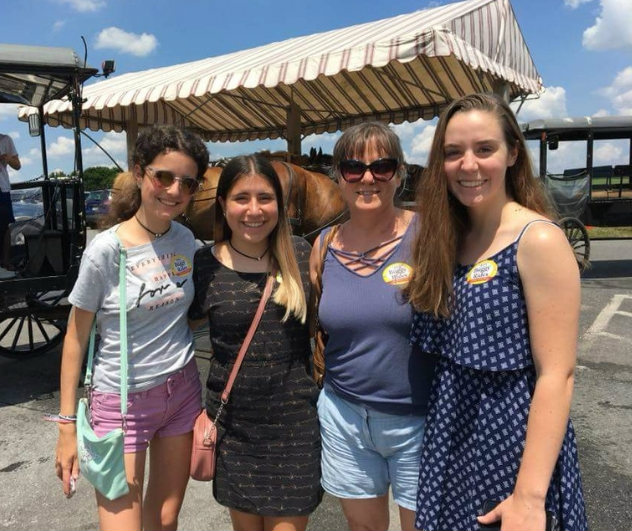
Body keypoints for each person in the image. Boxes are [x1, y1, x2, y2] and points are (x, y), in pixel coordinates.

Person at [405, 93, 587, 531]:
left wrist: (529, 497)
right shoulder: (450, 239)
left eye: (484, 148)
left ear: (512, 154)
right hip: (453, 439)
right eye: (453, 152)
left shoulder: (537, 239)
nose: (468, 165)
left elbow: (557, 375)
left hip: (511, 446)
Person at [55, 125, 209, 531]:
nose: (174, 190)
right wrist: (67, 426)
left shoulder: (186, 240)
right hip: (120, 402)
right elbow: (75, 338)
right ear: (140, 172)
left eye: (187, 183)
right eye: (164, 176)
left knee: (165, 519)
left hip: (181, 390)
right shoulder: (106, 250)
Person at [310, 122, 436, 531]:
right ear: (339, 177)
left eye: (382, 167)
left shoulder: (429, 236)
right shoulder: (324, 245)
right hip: (344, 415)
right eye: (353, 168)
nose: (368, 178)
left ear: (400, 174)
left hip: (419, 419)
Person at [188, 154, 322, 531]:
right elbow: (175, 326)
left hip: (293, 426)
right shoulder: (204, 263)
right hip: (234, 425)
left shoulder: (300, 253)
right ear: (222, 204)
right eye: (241, 198)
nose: (253, 210)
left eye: (265, 198)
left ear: (280, 204)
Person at [0, 132, 21, 279]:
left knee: (4, 226)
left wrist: (7, 158)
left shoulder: (5, 139)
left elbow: (17, 165)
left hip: (2, 189)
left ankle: (5, 262)